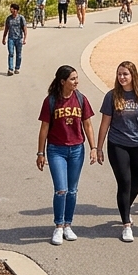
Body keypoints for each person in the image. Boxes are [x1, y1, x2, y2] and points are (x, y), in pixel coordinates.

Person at [97, 61, 138, 242]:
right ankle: (126, 224)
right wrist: (98, 148)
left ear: (133, 75)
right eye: (119, 74)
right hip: (118, 144)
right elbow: (105, 123)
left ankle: (125, 207)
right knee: (124, 182)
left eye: (125, 74)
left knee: (136, 183)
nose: (122, 77)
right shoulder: (112, 96)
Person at [36, 65, 96, 246]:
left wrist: (94, 148)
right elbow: (44, 128)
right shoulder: (51, 101)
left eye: (77, 78)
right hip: (56, 150)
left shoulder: (81, 99)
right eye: (72, 79)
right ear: (63, 82)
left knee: (72, 190)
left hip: (77, 149)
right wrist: (40, 153)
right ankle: (58, 226)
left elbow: (88, 125)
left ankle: (68, 224)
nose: (76, 82)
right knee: (61, 189)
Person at [4, 3, 27, 76]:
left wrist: (24, 39)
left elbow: (24, 28)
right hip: (11, 38)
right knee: (11, 53)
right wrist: (4, 37)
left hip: (19, 38)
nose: (10, 9)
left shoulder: (21, 18)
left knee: (19, 54)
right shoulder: (8, 18)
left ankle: (17, 67)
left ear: (16, 10)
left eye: (12, 8)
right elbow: (6, 28)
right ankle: (10, 69)